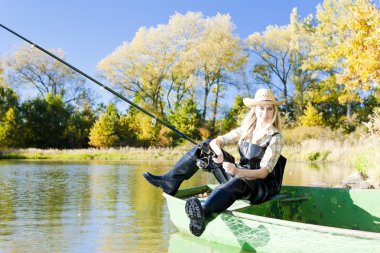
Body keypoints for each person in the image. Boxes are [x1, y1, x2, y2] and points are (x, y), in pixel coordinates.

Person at [143, 88, 287, 237]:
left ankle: (204, 216)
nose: (265, 113)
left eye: (269, 109)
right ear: (255, 110)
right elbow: (217, 140)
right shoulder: (247, 129)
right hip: (240, 176)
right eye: (261, 108)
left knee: (238, 183)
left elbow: (263, 172)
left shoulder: (276, 137)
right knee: (205, 147)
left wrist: (237, 171)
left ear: (274, 111)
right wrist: (218, 152)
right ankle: (170, 181)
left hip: (261, 185)